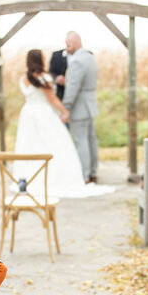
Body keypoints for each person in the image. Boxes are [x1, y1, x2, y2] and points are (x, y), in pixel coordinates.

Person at [14, 49, 113, 198]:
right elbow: (52, 99)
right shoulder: (44, 77)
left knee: (29, 144)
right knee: (54, 145)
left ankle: (28, 178)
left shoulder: (23, 78)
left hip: (28, 114)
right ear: (39, 60)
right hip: (44, 114)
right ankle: (54, 178)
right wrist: (65, 112)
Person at [62, 31, 99, 183]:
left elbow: (72, 87)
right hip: (90, 104)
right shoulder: (90, 58)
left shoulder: (77, 61)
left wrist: (66, 107)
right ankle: (93, 172)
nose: (67, 47)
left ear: (76, 42)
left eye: (68, 44)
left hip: (79, 107)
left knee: (81, 141)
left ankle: (84, 175)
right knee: (91, 140)